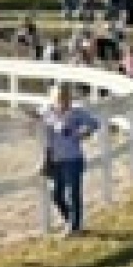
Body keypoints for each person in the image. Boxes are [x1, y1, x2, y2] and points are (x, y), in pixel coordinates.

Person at [40, 84, 101, 235]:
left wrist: (83, 132)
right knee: (56, 194)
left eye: (66, 98)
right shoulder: (48, 112)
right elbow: (35, 114)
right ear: (53, 99)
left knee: (73, 193)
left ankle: (75, 227)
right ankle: (70, 220)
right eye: (59, 98)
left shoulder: (77, 113)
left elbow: (94, 123)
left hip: (73, 159)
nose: (63, 102)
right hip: (55, 160)